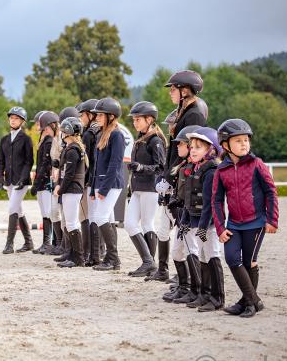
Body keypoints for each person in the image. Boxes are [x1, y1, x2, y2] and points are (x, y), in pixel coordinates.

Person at [212, 119, 278, 318]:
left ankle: (247, 303)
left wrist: (272, 219)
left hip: (256, 223)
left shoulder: (257, 164)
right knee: (232, 258)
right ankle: (254, 301)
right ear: (225, 145)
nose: (244, 144)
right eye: (238, 140)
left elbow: (271, 192)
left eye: (246, 140)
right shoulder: (221, 170)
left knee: (249, 262)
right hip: (233, 225)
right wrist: (220, 227)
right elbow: (216, 200)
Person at [149, 70, 208, 283]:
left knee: (183, 229)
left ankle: (189, 276)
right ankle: (165, 270)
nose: (170, 92)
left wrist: (172, 177)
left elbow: (187, 150)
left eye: (173, 89)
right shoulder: (184, 111)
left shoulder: (194, 113)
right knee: (165, 226)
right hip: (173, 173)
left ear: (185, 90)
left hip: (182, 176)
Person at [183, 127, 225, 312]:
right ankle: (205, 294)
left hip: (209, 223)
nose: (192, 150)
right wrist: (185, 221)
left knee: (212, 254)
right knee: (202, 256)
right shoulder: (196, 168)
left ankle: (218, 298)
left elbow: (209, 203)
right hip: (198, 222)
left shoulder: (211, 172)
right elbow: (188, 199)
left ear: (211, 150)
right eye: (192, 147)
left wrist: (202, 227)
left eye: (198, 147)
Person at [125, 101, 167, 277]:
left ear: (149, 119)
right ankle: (149, 261)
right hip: (137, 187)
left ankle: (148, 263)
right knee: (129, 224)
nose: (134, 122)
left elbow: (161, 167)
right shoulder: (140, 139)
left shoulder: (155, 140)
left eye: (138, 119)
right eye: (134, 119)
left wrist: (141, 167)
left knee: (147, 224)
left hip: (150, 188)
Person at [161, 125, 201, 302]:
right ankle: (184, 286)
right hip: (182, 216)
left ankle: (196, 289)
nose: (177, 146)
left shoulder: (196, 168)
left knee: (192, 249)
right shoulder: (183, 165)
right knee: (177, 251)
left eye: (181, 144)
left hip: (191, 217)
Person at [88, 98, 124, 272]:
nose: (97, 118)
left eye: (100, 115)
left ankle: (113, 258)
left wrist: (103, 188)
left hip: (111, 184)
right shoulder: (101, 134)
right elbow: (96, 164)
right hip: (100, 182)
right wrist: (93, 188)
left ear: (111, 116)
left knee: (100, 218)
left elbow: (115, 164)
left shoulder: (116, 135)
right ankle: (112, 259)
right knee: (107, 219)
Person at [0, 106, 34, 254]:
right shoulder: (4, 140)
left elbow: (29, 161)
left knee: (12, 208)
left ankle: (9, 244)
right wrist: (0, 178)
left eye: (16, 118)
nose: (13, 120)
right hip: (9, 181)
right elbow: (0, 161)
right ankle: (28, 242)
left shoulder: (26, 139)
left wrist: (23, 178)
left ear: (22, 121)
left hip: (21, 182)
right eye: (11, 118)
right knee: (18, 210)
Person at [53, 117, 87, 268]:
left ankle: (78, 258)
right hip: (71, 189)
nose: (61, 133)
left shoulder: (73, 150)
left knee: (72, 223)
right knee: (70, 222)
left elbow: (69, 174)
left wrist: (60, 189)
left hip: (72, 189)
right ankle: (72, 254)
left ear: (67, 132)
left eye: (63, 131)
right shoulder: (71, 148)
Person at [76, 99, 102, 266]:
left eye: (82, 115)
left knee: (85, 216)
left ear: (90, 115)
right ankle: (98, 250)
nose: (80, 118)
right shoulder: (100, 131)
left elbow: (86, 162)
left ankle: (88, 253)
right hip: (97, 179)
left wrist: (83, 181)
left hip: (89, 180)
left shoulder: (87, 134)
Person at [31, 111, 58, 254]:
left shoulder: (48, 141)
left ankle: (50, 242)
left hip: (46, 182)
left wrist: (37, 183)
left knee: (48, 212)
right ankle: (46, 242)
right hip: (41, 180)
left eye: (38, 124)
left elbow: (45, 164)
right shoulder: (43, 140)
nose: (37, 126)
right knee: (44, 212)